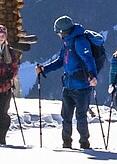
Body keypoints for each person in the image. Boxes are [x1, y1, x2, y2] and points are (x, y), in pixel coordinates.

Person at [35, 15, 103, 150]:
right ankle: (66, 143)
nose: (58, 35)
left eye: (58, 32)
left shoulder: (79, 42)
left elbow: (89, 60)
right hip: (68, 85)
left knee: (80, 116)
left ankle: (84, 143)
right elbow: (61, 61)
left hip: (82, 86)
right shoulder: (68, 42)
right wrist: (44, 69)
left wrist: (93, 77)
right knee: (66, 116)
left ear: (63, 31)